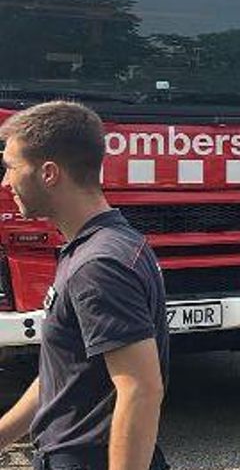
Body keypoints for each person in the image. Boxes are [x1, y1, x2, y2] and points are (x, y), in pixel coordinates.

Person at [0, 101, 169, 470]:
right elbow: (65, 373)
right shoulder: (106, 244)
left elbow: (140, 390)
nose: (5, 182)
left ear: (48, 173)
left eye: (10, 167)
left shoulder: (98, 265)